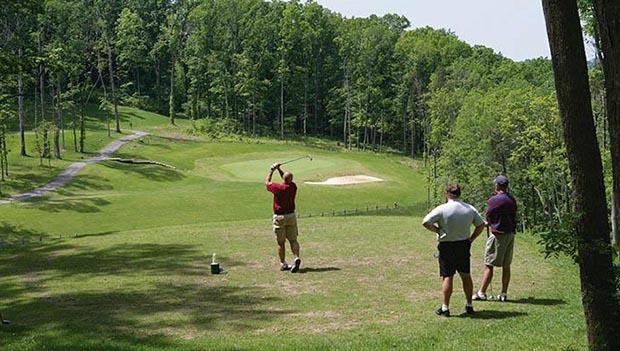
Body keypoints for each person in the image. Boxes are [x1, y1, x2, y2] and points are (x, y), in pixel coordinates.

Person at [422, 183, 486, 317]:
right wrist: (472, 238)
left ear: (447, 194)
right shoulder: (469, 209)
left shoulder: (442, 209)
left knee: (447, 276)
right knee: (466, 275)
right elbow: (481, 225)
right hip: (463, 244)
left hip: (446, 246)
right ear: (459, 193)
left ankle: (445, 307)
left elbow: (425, 222)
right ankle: (469, 305)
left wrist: (438, 230)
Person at [473, 175, 518, 302]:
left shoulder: (494, 200)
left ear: (497, 185)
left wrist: (489, 222)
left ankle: (482, 292)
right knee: (506, 265)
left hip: (498, 235)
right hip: (510, 234)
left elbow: (489, 215)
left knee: (489, 264)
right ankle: (503, 294)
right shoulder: (511, 199)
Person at [266, 163, 302, 273]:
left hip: (280, 217)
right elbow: (286, 178)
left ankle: (283, 263)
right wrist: (279, 169)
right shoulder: (293, 187)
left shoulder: (278, 188)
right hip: (291, 216)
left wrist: (272, 170)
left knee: (281, 243)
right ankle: (296, 257)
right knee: (293, 240)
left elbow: (267, 183)